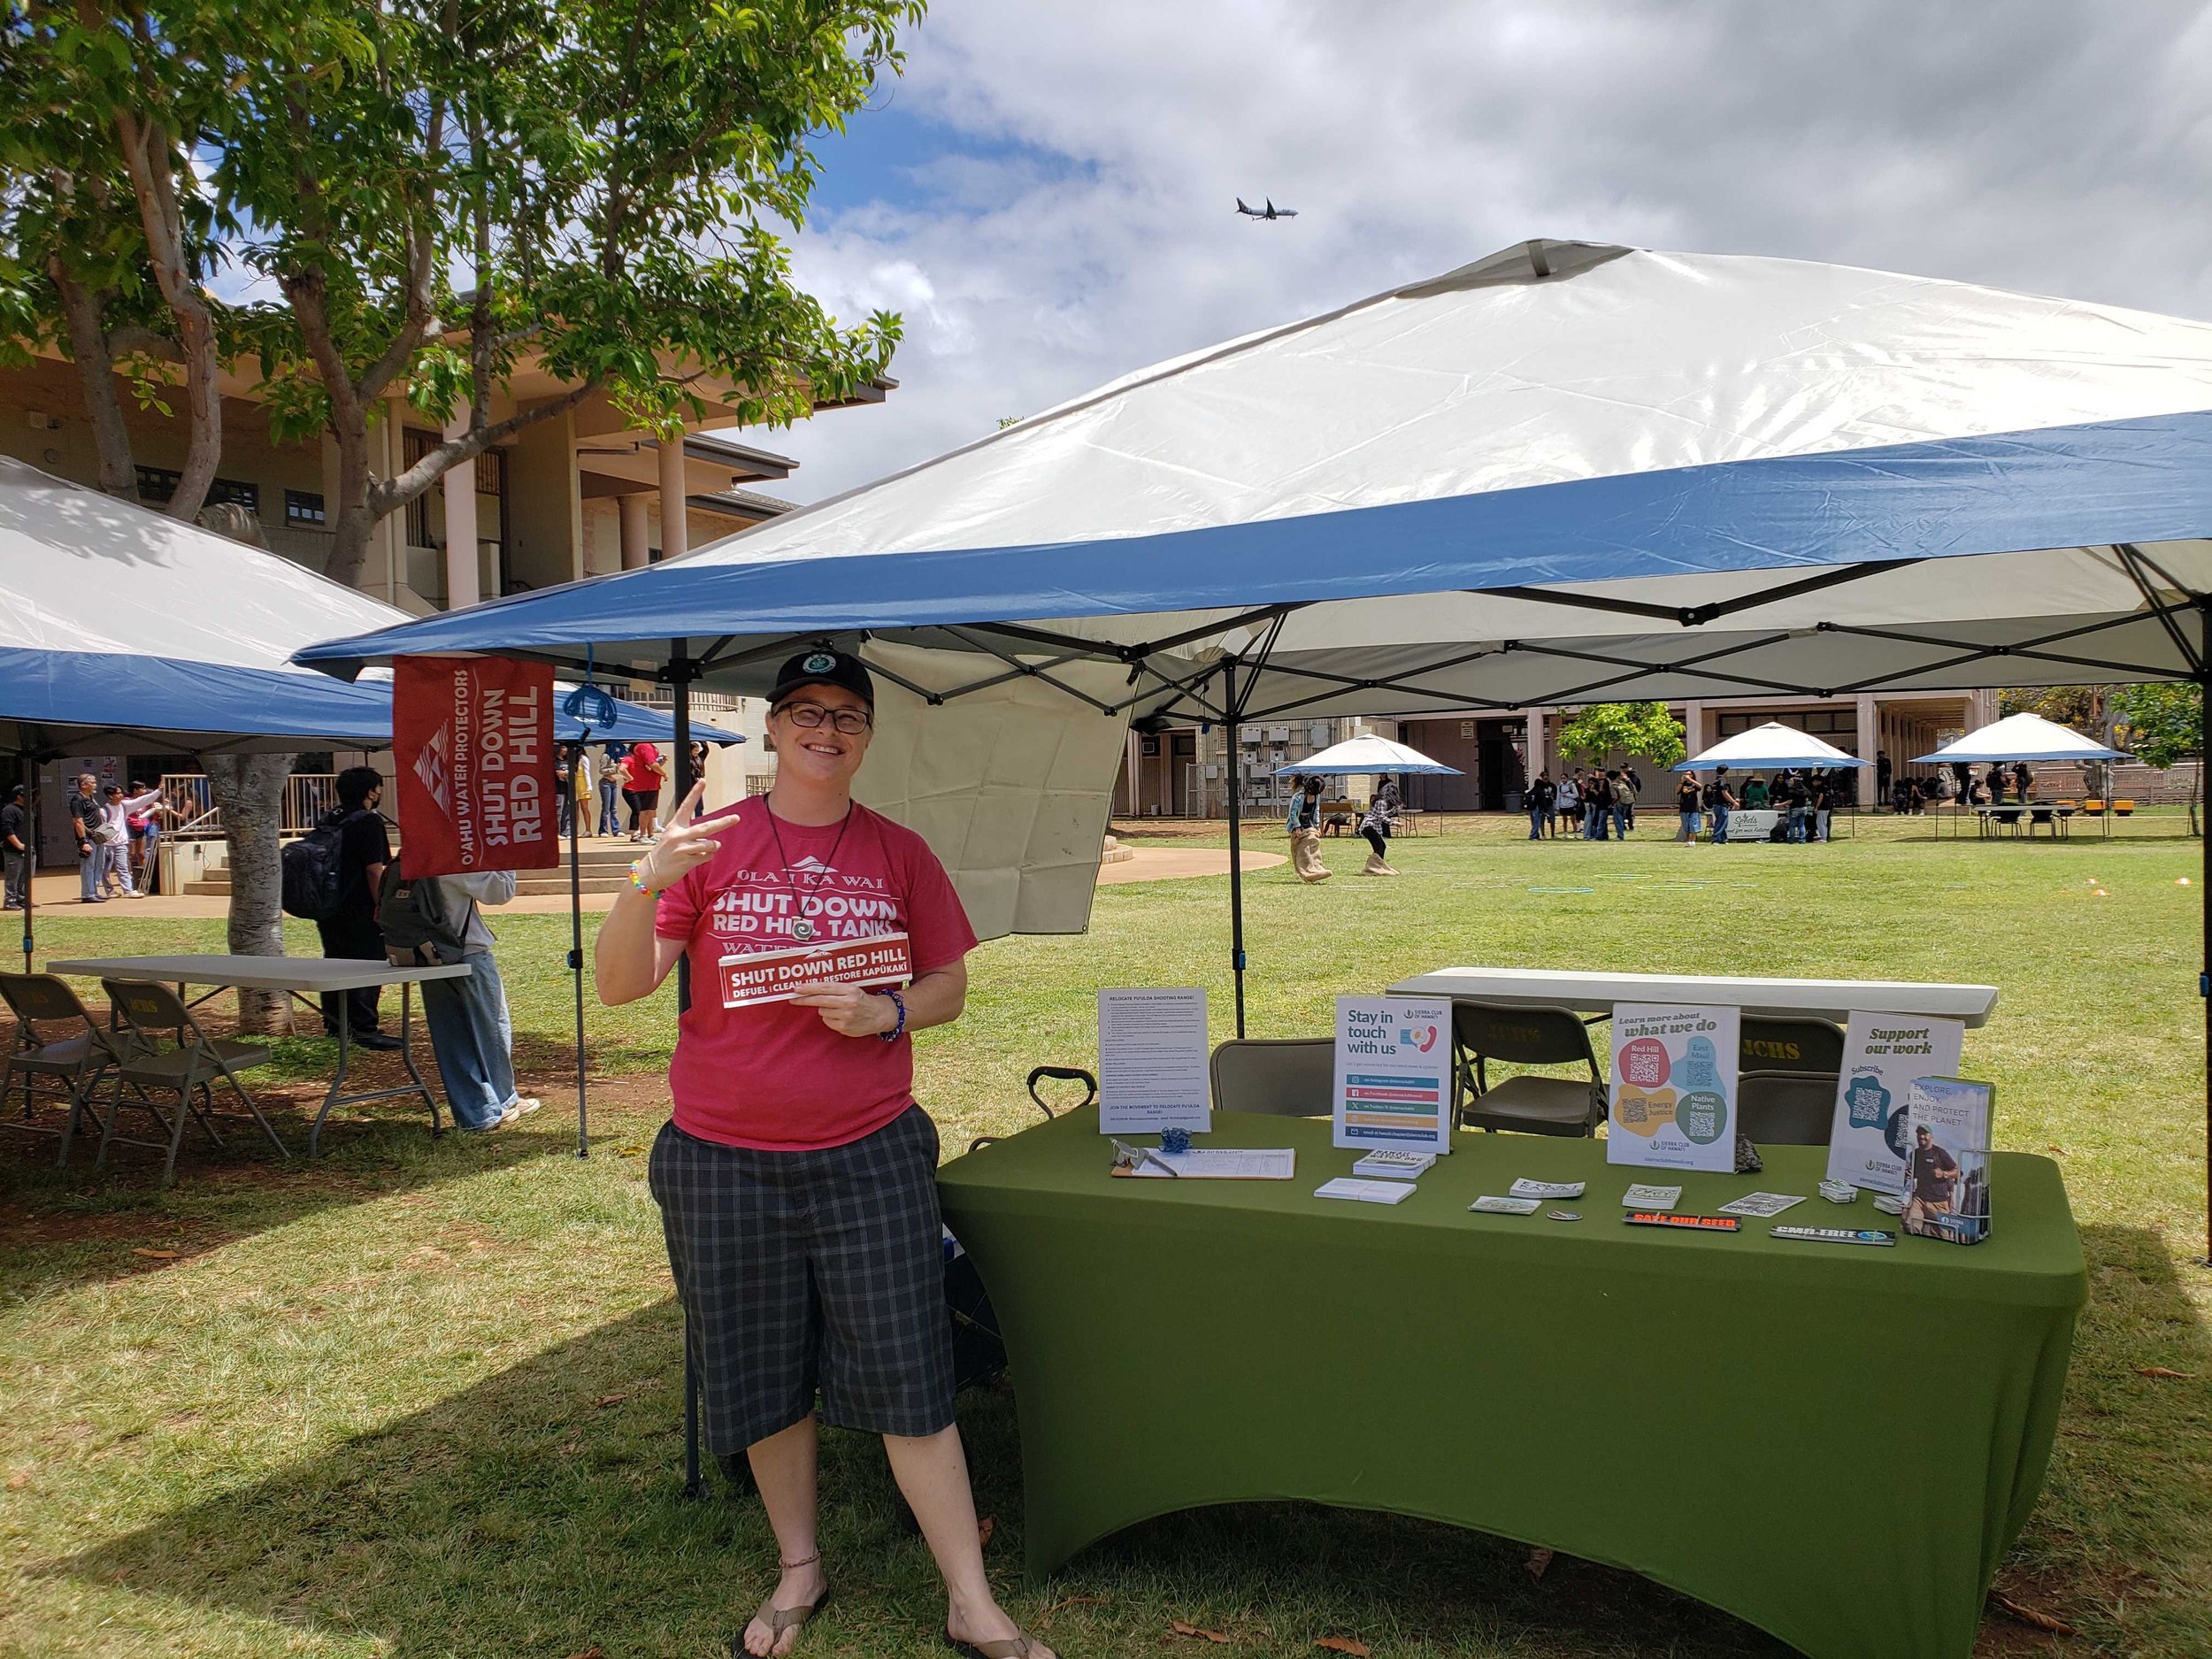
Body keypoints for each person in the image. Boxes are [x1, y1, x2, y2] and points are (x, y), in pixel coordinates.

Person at [595, 647, 1052, 1659]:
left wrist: (885, 1010)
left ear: (867, 735)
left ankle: (968, 1599)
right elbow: (621, 987)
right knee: (758, 1373)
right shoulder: (709, 846)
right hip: (720, 1157)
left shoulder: (897, 851)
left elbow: (947, 986)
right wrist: (642, 879)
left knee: (910, 1371)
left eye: (847, 715)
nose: (825, 729)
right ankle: (799, 1566)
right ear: (771, 727)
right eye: (805, 711)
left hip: (868, 1151)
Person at [390, 865, 541, 1132]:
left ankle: (477, 1113)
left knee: (450, 1037)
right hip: (466, 952)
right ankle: (503, 1102)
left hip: (428, 954)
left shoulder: (412, 858)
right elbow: (500, 891)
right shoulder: (452, 860)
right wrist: (508, 859)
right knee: (492, 1029)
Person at [315, 766, 403, 1050]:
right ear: (370, 791)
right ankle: (364, 1028)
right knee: (367, 964)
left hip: (329, 905)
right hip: (360, 907)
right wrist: (383, 907)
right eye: (378, 788)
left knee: (336, 962)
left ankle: (335, 1024)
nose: (379, 793)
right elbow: (374, 870)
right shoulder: (368, 822)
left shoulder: (330, 819)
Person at [1902, 1123, 1962, 1233]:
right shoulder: (1914, 1154)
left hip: (1939, 1202)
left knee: (1945, 1235)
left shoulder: (1940, 1153)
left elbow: (1958, 1172)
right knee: (1909, 1227)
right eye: (1919, 1134)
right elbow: (1913, 1174)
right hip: (1919, 1200)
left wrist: (1944, 1174)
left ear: (1931, 1136)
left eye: (1925, 1134)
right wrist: (1909, 1174)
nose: (1921, 1136)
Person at [68, 773, 107, 903]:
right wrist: (83, 841)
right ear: (84, 784)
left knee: (99, 865)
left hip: (98, 836)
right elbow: (78, 821)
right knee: (88, 865)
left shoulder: (91, 798)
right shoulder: (77, 800)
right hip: (89, 837)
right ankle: (87, 893)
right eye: (92, 782)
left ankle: (94, 890)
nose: (95, 784)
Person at [1286, 774, 1332, 882]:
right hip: (1297, 823)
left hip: (1309, 823)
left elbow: (1316, 811)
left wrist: (1317, 826)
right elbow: (1292, 814)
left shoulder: (1316, 797)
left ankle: (1317, 867)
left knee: (1314, 843)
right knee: (1303, 848)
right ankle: (1307, 872)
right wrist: (1297, 828)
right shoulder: (1298, 797)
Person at [622, 740, 667, 841]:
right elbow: (652, 764)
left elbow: (651, 766)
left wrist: (661, 762)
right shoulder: (644, 746)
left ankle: (650, 834)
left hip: (652, 783)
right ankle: (643, 835)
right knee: (644, 810)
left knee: (650, 810)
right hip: (646, 784)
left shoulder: (648, 746)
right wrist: (664, 774)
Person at [1359, 778, 1401, 874]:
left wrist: (1394, 809)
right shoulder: (1382, 802)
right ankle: (1375, 867)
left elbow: (1382, 814)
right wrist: (1394, 823)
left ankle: (1377, 866)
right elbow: (1381, 816)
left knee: (1380, 846)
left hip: (1371, 826)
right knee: (1380, 846)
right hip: (1369, 826)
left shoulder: (1381, 802)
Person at [2, 783, 28, 910]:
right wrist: (18, 844)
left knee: (25, 876)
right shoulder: (9, 810)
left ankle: (21, 899)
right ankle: (10, 901)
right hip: (14, 850)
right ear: (19, 796)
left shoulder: (26, 809)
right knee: (13, 877)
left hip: (28, 849)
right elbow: (7, 829)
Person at [595, 744, 623, 837]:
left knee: (614, 808)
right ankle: (603, 830)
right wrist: (615, 768)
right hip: (606, 783)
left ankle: (616, 830)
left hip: (614, 782)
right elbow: (602, 770)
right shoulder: (606, 756)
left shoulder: (616, 757)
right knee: (606, 808)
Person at [1705, 766, 1737, 844]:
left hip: (1716, 804)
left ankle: (1723, 839)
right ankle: (1715, 839)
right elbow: (1724, 792)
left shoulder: (1715, 781)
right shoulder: (1722, 781)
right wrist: (1733, 802)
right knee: (1721, 822)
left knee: (1723, 822)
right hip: (1721, 804)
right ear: (1725, 772)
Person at [1526, 771, 1555, 840]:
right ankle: (1533, 836)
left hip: (1531, 808)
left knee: (1534, 822)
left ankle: (1536, 835)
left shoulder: (1531, 791)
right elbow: (1542, 801)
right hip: (1537, 808)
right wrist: (1544, 809)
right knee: (1537, 822)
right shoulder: (1539, 791)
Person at [1675, 772, 1702, 841]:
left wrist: (1691, 780)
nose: (1687, 775)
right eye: (1685, 774)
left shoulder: (1694, 784)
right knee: (1686, 826)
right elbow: (1677, 790)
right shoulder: (1683, 784)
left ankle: (1693, 841)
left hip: (1693, 808)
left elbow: (1700, 786)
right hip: (1684, 807)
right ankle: (1688, 840)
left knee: (1693, 825)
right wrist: (1681, 781)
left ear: (1692, 775)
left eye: (1689, 774)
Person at [1609, 768, 1634, 840]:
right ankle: (1621, 835)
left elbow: (1616, 797)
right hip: (1627, 802)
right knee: (1622, 818)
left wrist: (1611, 804)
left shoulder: (1613, 785)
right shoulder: (1623, 783)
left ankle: (1620, 836)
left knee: (1618, 820)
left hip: (1619, 803)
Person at [1555, 772, 1579, 838]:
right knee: (1564, 820)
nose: (1563, 780)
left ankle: (1575, 835)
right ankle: (1565, 834)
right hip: (1563, 805)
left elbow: (1576, 795)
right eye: (1562, 778)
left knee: (1573, 820)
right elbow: (1558, 797)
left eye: (1564, 778)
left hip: (1571, 805)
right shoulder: (1559, 787)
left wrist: (1567, 795)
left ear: (1567, 778)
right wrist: (1557, 807)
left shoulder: (1571, 785)